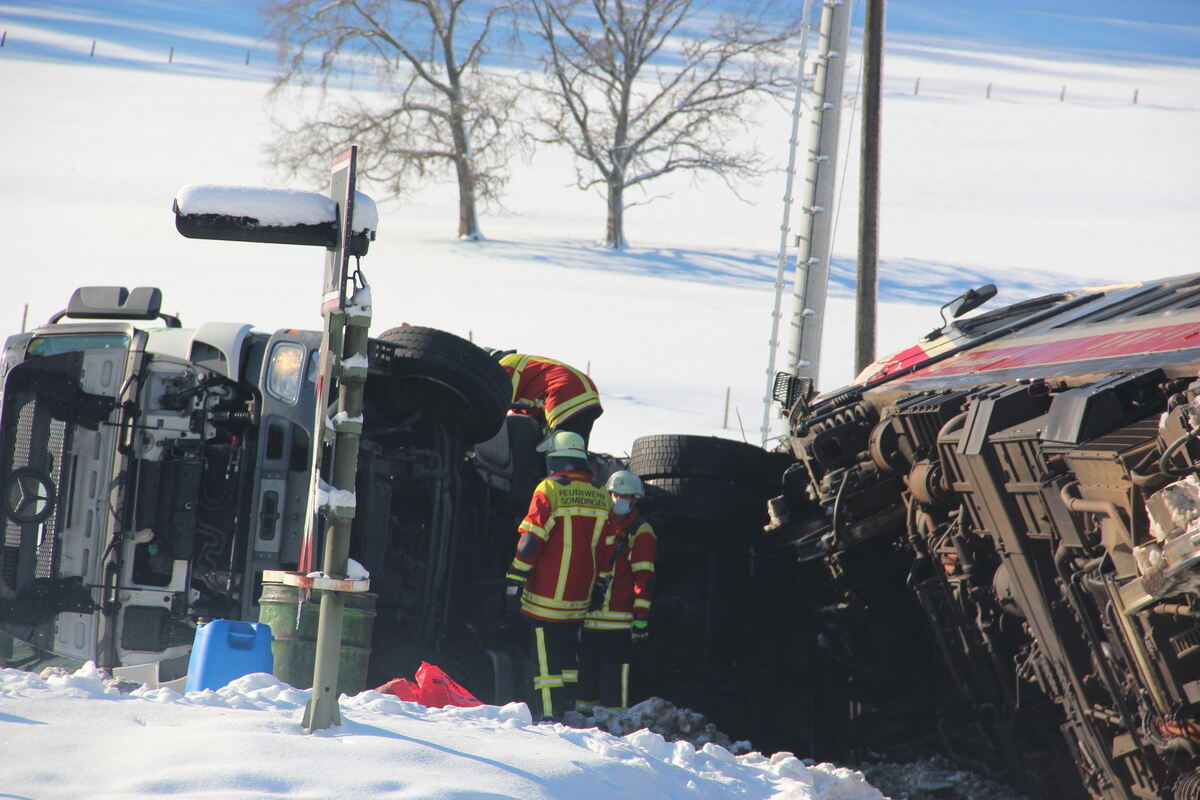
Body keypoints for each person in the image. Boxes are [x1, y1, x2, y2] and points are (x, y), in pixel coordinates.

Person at [504, 430, 610, 720]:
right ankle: (568, 710)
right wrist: (600, 586)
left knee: (545, 661)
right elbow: (607, 550)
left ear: (555, 459)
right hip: (579, 600)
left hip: (545, 598)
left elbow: (531, 542)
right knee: (567, 659)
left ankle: (549, 717)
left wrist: (515, 579)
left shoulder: (549, 489)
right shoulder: (601, 496)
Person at [577, 470, 657, 713]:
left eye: (626, 496)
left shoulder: (641, 532)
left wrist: (641, 617)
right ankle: (582, 724)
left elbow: (644, 578)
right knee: (586, 678)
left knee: (613, 681)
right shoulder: (600, 525)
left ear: (635, 499)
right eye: (616, 494)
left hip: (619, 625)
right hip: (590, 620)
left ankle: (615, 728)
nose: (620, 500)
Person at [490, 351, 603, 448]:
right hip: (585, 393)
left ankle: (563, 472)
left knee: (560, 447)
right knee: (575, 446)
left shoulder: (505, 364)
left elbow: (500, 402)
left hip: (565, 392)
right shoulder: (528, 367)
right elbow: (523, 413)